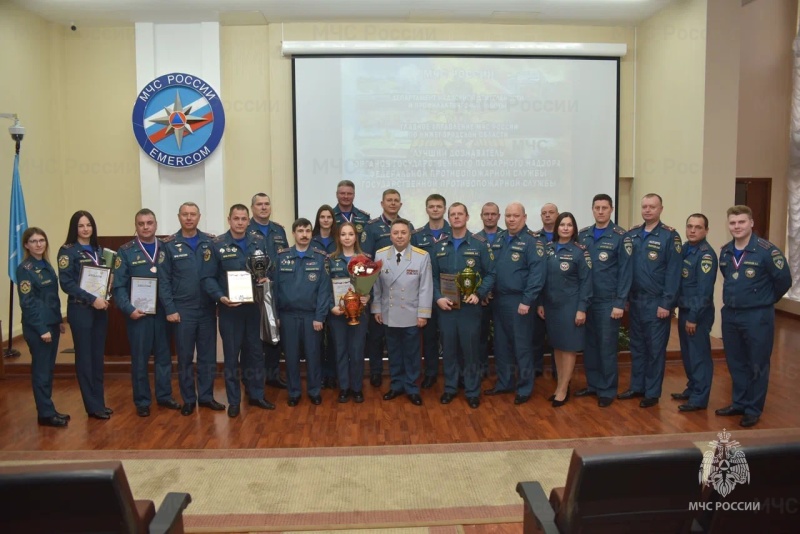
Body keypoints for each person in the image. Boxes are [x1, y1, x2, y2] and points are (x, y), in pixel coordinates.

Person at [716, 205, 792, 427]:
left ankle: (753, 408)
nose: (736, 226)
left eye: (741, 222)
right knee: (736, 361)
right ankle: (739, 402)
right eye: (732, 223)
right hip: (730, 314)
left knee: (757, 363)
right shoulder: (726, 251)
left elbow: (783, 281)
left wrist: (765, 300)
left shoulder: (767, 251)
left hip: (757, 315)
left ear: (751, 223)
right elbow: (729, 278)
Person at [202, 204, 275, 417]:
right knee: (232, 357)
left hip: (254, 308)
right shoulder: (217, 245)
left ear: (248, 220)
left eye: (244, 218)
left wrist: (265, 278)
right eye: (236, 218)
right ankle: (234, 400)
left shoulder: (258, 241)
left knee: (255, 354)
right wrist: (220, 297)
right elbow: (208, 278)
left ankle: (257, 395)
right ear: (229, 219)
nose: (240, 222)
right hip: (230, 310)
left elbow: (268, 267)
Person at [158, 202, 225, 416]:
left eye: (193, 214)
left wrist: (219, 299)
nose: (189, 218)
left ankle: (206, 397)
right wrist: (170, 308)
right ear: (179, 217)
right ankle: (188, 399)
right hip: (182, 310)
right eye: (185, 214)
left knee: (207, 356)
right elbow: (164, 281)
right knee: (185, 357)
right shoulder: (169, 245)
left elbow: (218, 274)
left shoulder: (210, 242)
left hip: (207, 309)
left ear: (199, 217)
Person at [112, 209, 178, 417]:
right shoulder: (126, 251)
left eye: (149, 222)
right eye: (141, 223)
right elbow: (119, 287)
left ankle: (165, 396)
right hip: (139, 314)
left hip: (162, 313)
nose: (146, 227)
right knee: (140, 359)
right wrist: (129, 309)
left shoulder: (166, 248)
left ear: (156, 224)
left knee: (164, 357)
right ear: (136, 226)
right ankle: (142, 400)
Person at [619, 193, 682, 408]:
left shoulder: (669, 237)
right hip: (635, 302)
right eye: (644, 206)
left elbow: (674, 273)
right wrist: (625, 298)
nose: (647, 210)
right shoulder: (633, 234)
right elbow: (626, 270)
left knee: (655, 350)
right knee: (637, 347)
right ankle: (637, 386)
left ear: (661, 209)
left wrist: (667, 304)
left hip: (657, 304)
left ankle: (652, 392)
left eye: (652, 207)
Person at [431, 203, 495, 408]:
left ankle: (472, 391)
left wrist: (479, 293)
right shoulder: (439, 246)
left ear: (467, 217)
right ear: (449, 218)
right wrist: (438, 297)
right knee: (448, 350)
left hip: (470, 308)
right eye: (453, 214)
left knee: (470, 351)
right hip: (447, 308)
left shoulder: (479, 244)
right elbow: (431, 276)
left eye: (460, 214)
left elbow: (491, 273)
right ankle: (450, 388)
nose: (456, 217)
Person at [484, 202, 546, 405]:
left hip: (520, 301)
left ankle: (525, 387)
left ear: (524, 218)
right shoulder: (501, 238)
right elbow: (493, 270)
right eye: (508, 216)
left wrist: (527, 300)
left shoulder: (532, 242)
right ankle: (505, 383)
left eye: (515, 216)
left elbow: (537, 274)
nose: (511, 219)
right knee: (501, 345)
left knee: (522, 346)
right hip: (499, 300)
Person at [576, 194, 632, 408]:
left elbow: (626, 273)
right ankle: (593, 384)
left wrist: (620, 302)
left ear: (611, 209)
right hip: (587, 301)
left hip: (608, 301)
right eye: (597, 207)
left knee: (606, 346)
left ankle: (607, 389)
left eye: (604, 208)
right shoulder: (583, 235)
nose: (600, 211)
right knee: (589, 346)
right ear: (592, 210)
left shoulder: (620, 237)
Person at [371, 218, 433, 406]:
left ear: (410, 235)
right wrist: (376, 308)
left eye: (403, 233)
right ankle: (396, 385)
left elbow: (425, 287)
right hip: (389, 313)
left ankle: (412, 387)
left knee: (412, 354)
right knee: (394, 352)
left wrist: (423, 314)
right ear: (390, 235)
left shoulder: (421, 256)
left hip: (412, 313)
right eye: (395, 233)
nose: (399, 236)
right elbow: (376, 286)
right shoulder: (380, 255)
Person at [58, 210, 112, 420]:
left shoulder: (100, 250)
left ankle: (99, 402)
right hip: (81, 309)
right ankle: (92, 406)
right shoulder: (67, 251)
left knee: (98, 357)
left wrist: (109, 287)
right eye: (81, 226)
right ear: (75, 228)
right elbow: (67, 284)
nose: (85, 229)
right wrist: (92, 299)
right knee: (85, 359)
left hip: (100, 310)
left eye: (88, 225)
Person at [274, 218, 332, 406]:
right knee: (290, 357)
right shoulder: (281, 257)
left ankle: (314, 391)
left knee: (313, 355)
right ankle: (294, 392)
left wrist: (319, 316)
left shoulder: (319, 257)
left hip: (311, 317)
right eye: (300, 231)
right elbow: (274, 290)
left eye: (307, 231)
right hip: (287, 316)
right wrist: (275, 316)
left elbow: (324, 291)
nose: (304, 234)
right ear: (294, 233)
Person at [538, 212, 592, 407]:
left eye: (569, 225)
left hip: (571, 307)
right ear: (557, 228)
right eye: (562, 225)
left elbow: (586, 283)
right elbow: (542, 279)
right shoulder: (548, 249)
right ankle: (560, 385)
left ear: (574, 228)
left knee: (568, 348)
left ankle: (563, 389)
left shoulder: (580, 251)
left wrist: (582, 309)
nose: (566, 228)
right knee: (558, 346)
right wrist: (541, 303)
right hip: (551, 306)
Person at [361, 189, 413, 387]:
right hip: (378, 290)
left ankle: (401, 375)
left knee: (400, 337)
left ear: (400, 204)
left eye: (396, 201)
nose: (392, 204)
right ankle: (376, 371)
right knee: (376, 336)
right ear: (382, 203)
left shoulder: (408, 226)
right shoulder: (371, 227)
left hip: (403, 292)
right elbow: (366, 262)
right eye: (389, 201)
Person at [17, 228, 68, 427]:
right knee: (41, 371)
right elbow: (28, 302)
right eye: (33, 241)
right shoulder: (25, 269)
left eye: (42, 240)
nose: (38, 244)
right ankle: (45, 413)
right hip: (39, 328)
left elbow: (50, 298)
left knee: (47, 369)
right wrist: (42, 328)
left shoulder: (45, 264)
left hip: (50, 324)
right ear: (26, 245)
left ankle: (48, 409)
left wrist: (58, 322)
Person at [671, 213, 718, 413]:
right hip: (685, 310)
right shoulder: (685, 249)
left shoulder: (706, 255)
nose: (692, 230)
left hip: (697, 314)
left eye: (698, 227)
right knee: (688, 354)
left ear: (706, 230)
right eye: (689, 226)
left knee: (699, 356)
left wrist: (693, 318)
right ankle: (692, 388)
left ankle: (699, 398)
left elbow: (704, 292)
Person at [247, 192, 288, 390]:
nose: (263, 207)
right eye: (259, 204)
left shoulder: (279, 230)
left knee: (274, 331)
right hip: (255, 291)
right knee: (254, 336)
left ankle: (272, 375)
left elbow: (286, 258)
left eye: (266, 204)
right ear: (252, 208)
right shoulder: (245, 230)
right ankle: (253, 379)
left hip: (277, 288)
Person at [327, 222, 370, 403]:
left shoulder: (365, 259)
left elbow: (372, 285)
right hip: (338, 314)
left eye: (350, 234)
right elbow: (324, 288)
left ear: (355, 237)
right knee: (341, 351)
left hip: (360, 313)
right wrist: (331, 306)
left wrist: (368, 297)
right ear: (338, 237)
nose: (347, 237)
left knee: (357, 351)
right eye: (343, 234)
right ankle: (344, 387)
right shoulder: (331, 259)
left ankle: (357, 388)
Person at [411, 193, 451, 389]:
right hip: (425, 295)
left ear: (444, 209)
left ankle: (455, 374)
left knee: (450, 337)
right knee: (428, 338)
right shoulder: (417, 236)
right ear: (426, 209)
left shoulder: (455, 233)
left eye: (439, 206)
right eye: (431, 206)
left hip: (451, 297)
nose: (435, 209)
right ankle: (431, 373)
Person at [312, 204, 339, 389]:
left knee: (335, 339)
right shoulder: (311, 240)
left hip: (338, 296)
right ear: (318, 220)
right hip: (317, 296)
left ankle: (333, 374)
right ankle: (321, 374)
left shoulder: (339, 240)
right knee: (319, 341)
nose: (326, 220)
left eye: (329, 217)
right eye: (322, 217)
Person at [476, 202, 503, 377]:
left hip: (503, 296)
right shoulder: (474, 239)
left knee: (502, 338)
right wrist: (483, 292)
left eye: (493, 214)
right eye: (486, 214)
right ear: (481, 216)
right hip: (482, 297)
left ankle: (504, 373)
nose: (490, 217)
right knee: (480, 336)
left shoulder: (507, 237)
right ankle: (481, 370)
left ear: (498, 216)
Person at [534, 202, 559, 378]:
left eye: (551, 212)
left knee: (558, 339)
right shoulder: (534, 238)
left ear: (558, 214)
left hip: (561, 297)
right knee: (535, 337)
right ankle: (536, 370)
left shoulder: (568, 237)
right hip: (538, 295)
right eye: (544, 213)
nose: (547, 215)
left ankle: (559, 372)